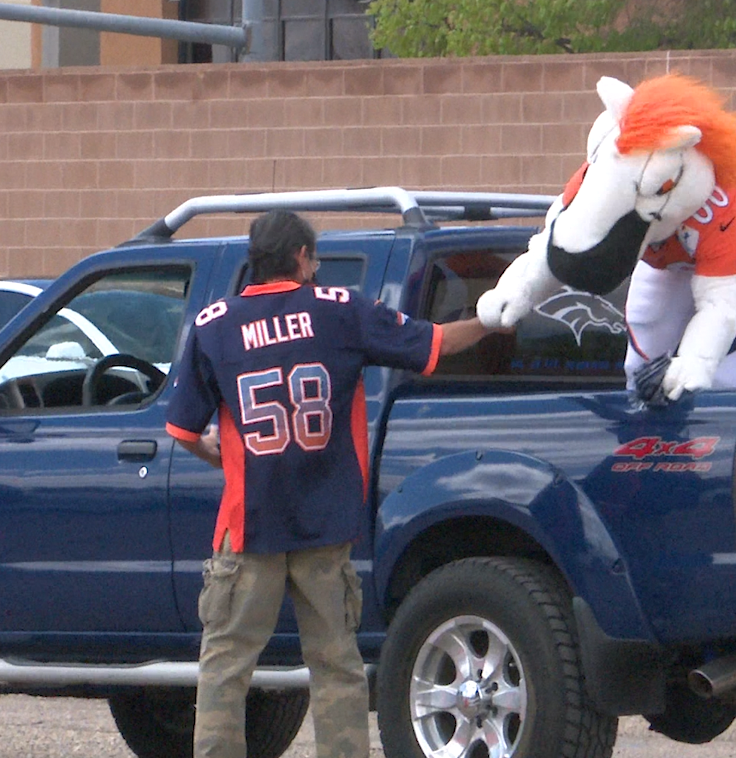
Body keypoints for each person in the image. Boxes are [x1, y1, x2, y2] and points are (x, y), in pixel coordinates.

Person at [165, 209, 493, 758]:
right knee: (337, 667)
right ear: (300, 257)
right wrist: (496, 315)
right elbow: (435, 344)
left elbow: (181, 430)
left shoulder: (213, 323)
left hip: (249, 529)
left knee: (225, 665)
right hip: (326, 524)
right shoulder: (339, 312)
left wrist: (223, 458)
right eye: (314, 257)